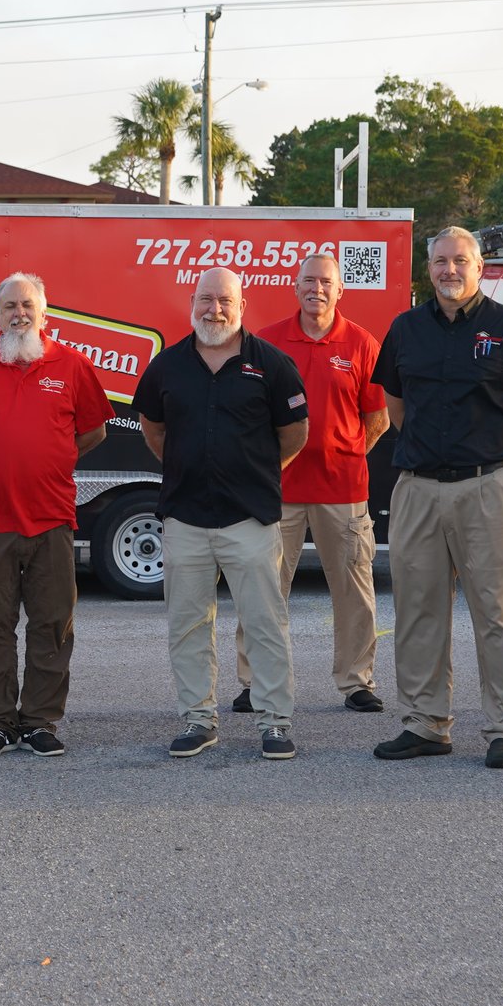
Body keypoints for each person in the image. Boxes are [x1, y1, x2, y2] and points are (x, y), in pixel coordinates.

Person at [371, 227, 503, 770]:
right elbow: (398, 408)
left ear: (480, 268)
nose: (449, 270)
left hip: (491, 486)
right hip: (419, 488)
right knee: (417, 610)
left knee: (500, 613)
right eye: (440, 261)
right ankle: (425, 723)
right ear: (427, 268)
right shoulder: (405, 330)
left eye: (460, 261)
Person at [133, 267, 311, 760]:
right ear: (193, 302)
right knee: (188, 625)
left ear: (242, 304)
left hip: (249, 518)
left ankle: (275, 722)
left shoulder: (272, 365)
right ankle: (198, 719)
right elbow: (153, 427)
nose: (215, 309)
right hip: (185, 517)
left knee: (264, 624)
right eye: (206, 299)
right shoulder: (168, 366)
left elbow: (294, 432)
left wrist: (257, 471)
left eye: (224, 300)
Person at [0, 272, 111, 758]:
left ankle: (39, 722)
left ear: (43, 313)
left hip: (53, 517)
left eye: (27, 306)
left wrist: (52, 456)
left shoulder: (71, 365)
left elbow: (93, 430)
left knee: (52, 624)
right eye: (9, 306)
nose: (19, 314)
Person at [236, 252, 390, 716]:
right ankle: (254, 682)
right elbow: (250, 415)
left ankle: (356, 681)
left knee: (354, 592)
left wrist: (341, 454)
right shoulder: (266, 342)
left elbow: (377, 418)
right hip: (276, 491)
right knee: (261, 591)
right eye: (308, 281)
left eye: (326, 282)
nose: (316, 289)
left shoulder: (362, 344)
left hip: (343, 491)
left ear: (340, 290)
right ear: (295, 287)